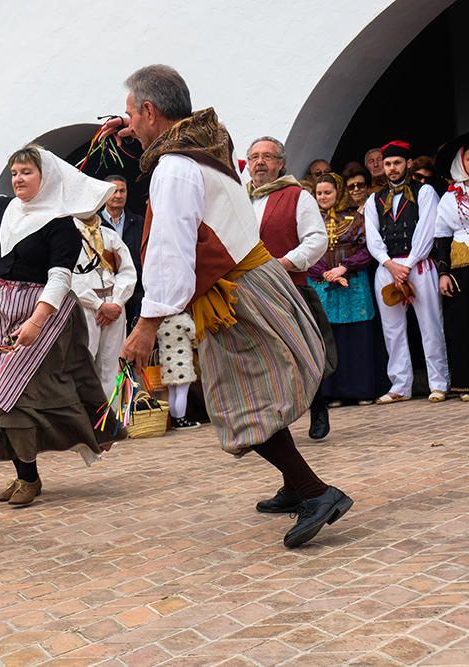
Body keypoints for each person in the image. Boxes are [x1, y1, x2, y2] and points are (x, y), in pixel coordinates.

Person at [106, 64, 350, 548]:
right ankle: (292, 483)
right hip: (254, 280)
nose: (127, 124)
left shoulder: (174, 169)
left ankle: (316, 492)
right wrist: (133, 129)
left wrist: (148, 323)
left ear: (151, 111)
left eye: (132, 114)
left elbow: (171, 250)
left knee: (239, 402)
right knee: (250, 396)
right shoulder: (206, 145)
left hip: (234, 295)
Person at [0, 139, 118, 506]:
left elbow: (60, 278)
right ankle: (25, 473)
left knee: (18, 394)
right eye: (14, 172)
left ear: (46, 177)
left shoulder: (61, 225)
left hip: (39, 311)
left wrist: (36, 323)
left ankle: (30, 474)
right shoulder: (8, 209)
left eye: (26, 172)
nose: (18, 178)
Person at [245, 136, 335, 440]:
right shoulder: (240, 200)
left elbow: (316, 239)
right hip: (250, 291)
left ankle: (318, 405)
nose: (260, 162)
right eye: (255, 156)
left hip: (288, 287)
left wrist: (285, 262)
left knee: (305, 352)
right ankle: (270, 422)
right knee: (263, 356)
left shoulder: (297, 196)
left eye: (267, 157)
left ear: (280, 163)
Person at [364, 140, 449, 404]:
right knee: (392, 330)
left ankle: (438, 382)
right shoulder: (374, 199)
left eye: (396, 163)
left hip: (418, 265)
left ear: (408, 164)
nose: (391, 168)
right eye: (388, 164)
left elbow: (426, 231)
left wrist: (408, 264)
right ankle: (400, 385)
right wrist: (389, 264)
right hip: (388, 268)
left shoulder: (424, 192)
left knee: (430, 325)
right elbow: (372, 237)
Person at [308, 173, 381, 404]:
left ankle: (361, 391)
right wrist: (324, 272)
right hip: (323, 285)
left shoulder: (355, 218)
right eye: (319, 193)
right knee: (329, 338)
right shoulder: (309, 220)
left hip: (352, 284)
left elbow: (366, 249)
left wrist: (344, 268)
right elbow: (305, 248)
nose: (323, 197)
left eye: (328, 192)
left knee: (355, 338)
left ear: (338, 193)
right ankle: (333, 393)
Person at [71, 214, 138, 397]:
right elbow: (67, 276)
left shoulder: (109, 235)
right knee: (84, 363)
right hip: (85, 305)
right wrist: (98, 304)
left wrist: (116, 302)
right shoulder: (67, 235)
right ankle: (86, 420)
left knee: (113, 364)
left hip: (115, 303)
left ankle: (112, 418)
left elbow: (127, 270)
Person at [434, 133, 469, 402]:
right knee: (461, 323)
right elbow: (442, 237)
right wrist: (444, 272)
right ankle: (465, 382)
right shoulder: (449, 198)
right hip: (462, 265)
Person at [100, 175, 145, 325]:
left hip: (136, 292)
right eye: (114, 191)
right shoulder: (93, 224)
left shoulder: (139, 223)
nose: (118, 196)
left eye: (122, 191)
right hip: (104, 296)